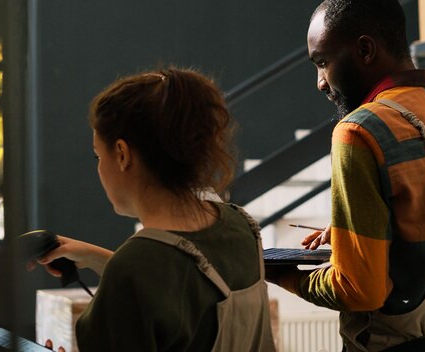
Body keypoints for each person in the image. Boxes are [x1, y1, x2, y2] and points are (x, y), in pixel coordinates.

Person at [265, 1, 425, 351]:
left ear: (365, 50)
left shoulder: (359, 132)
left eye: (323, 62)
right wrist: (374, 231)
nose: (320, 82)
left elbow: (361, 289)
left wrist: (280, 275)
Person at [30, 68, 276, 351]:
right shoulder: (241, 225)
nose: (98, 167)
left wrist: (116, 268)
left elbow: (158, 281)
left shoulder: (134, 269)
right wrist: (93, 256)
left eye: (98, 155)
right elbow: (182, 288)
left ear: (122, 155)